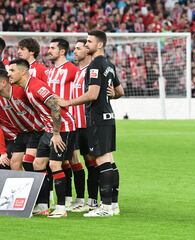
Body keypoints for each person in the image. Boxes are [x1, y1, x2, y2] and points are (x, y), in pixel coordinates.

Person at [58, 30, 124, 217]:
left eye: (89, 41)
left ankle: (105, 207)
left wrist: (67, 102)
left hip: (97, 118)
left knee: (102, 161)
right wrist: (112, 94)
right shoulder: (109, 64)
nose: (87, 44)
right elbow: (120, 91)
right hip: (108, 117)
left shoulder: (95, 65)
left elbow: (92, 94)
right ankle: (113, 205)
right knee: (110, 161)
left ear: (100, 44)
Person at [8, 58, 76, 218]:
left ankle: (61, 207)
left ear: (23, 72)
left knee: (55, 165)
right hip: (49, 129)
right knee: (38, 164)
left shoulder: (36, 86)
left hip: (63, 128)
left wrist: (57, 133)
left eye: (12, 71)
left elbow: (55, 107)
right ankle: (43, 205)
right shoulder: (27, 88)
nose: (9, 74)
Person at [0, 68, 45, 171]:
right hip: (21, 133)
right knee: (14, 163)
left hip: (37, 131)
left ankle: (44, 186)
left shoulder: (20, 91)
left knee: (29, 162)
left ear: (4, 82)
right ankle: (23, 187)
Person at [47, 38, 80, 209]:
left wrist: (69, 102)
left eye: (52, 48)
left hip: (68, 122)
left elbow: (86, 90)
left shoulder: (72, 70)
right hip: (53, 122)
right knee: (62, 162)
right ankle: (67, 199)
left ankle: (79, 200)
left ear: (62, 51)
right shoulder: (50, 71)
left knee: (68, 161)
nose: (49, 50)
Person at [69, 39, 99, 213]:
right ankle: (80, 199)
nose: (75, 51)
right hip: (75, 125)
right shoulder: (78, 72)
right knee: (74, 161)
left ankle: (94, 201)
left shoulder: (91, 71)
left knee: (91, 163)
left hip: (87, 125)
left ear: (87, 51)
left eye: (78, 48)